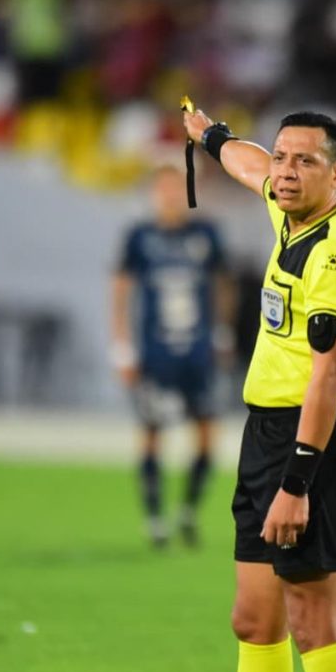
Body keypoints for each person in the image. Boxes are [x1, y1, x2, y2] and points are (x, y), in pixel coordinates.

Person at [182, 108, 336, 672]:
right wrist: (211, 137)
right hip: (269, 431)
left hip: (312, 441)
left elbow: (328, 375)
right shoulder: (294, 213)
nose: (286, 173)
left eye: (306, 162)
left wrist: (297, 483)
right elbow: (250, 168)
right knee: (255, 620)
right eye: (282, 158)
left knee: (313, 622)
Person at [111, 165, 233, 548]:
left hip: (197, 352)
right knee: (151, 434)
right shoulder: (139, 237)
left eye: (176, 189)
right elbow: (120, 292)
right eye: (163, 190)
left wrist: (223, 332)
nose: (170, 197)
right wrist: (122, 347)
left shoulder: (205, 234)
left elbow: (223, 286)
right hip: (156, 353)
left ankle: (189, 511)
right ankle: (154, 519)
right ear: (152, 194)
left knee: (207, 436)